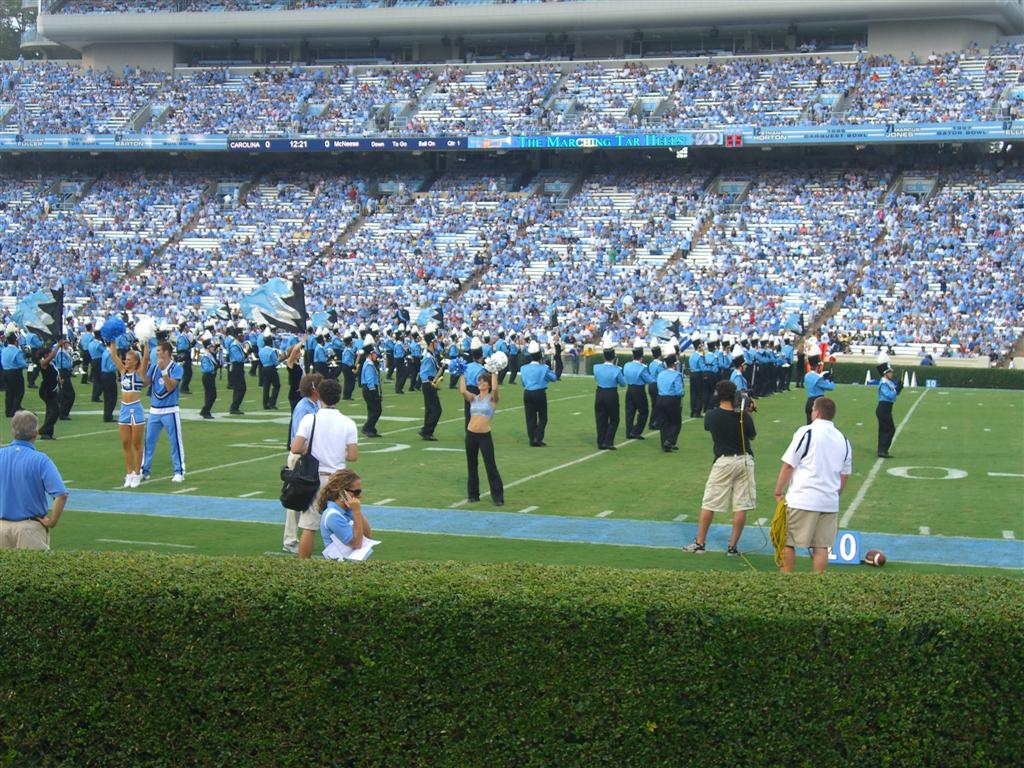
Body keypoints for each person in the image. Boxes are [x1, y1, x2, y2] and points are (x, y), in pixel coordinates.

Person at [773, 397, 852, 574]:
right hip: (829, 501)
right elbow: (845, 475)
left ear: (816, 412)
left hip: (803, 499)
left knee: (787, 542)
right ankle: (817, 586)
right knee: (821, 546)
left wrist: (778, 491)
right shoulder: (843, 439)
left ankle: (786, 582)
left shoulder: (806, 432)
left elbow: (788, 464)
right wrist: (835, 495)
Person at [684, 380, 756, 555]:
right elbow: (751, 434)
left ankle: (700, 543)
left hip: (723, 462)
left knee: (709, 502)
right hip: (745, 460)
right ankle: (732, 547)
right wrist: (747, 412)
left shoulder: (711, 415)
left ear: (718, 395)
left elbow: (710, 425)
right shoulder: (742, 416)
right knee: (741, 505)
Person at [290, 378, 358, 560]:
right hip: (339, 480)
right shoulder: (348, 422)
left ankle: (304, 567)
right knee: (344, 523)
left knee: (308, 527)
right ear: (338, 397)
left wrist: (310, 450)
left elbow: (295, 448)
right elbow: (352, 456)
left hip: (315, 478)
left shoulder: (310, 418)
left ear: (320, 395)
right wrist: (337, 452)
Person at [0, 411, 68, 550]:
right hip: (30, 529)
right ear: (35, 434)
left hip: (2, 526)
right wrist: (52, 522)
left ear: (13, 432)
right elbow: (61, 494)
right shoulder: (40, 460)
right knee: (33, 571)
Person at [282, 372, 323, 554]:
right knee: (296, 499)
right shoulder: (303, 408)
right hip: (301, 458)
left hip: (311, 457)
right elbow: (298, 441)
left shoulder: (317, 404)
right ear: (314, 388)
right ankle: (290, 540)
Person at [141, 341, 185, 483]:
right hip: (154, 410)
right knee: (148, 441)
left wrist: (164, 372)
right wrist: (145, 359)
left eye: (159, 350)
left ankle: (179, 471)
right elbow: (144, 382)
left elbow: (171, 387)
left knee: (175, 442)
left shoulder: (176, 368)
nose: (157, 353)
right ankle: (144, 470)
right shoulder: (154, 367)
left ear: (166, 352)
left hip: (170, 410)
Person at [109, 338, 150, 487]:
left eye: (129, 360)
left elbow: (146, 357)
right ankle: (129, 473)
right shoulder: (122, 371)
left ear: (135, 361)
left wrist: (146, 341)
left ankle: (138, 473)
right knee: (125, 443)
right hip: (124, 409)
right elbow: (114, 356)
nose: (126, 361)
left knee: (136, 443)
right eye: (126, 359)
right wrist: (111, 340)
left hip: (136, 409)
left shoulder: (140, 373)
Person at [460, 370, 504, 505]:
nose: (481, 383)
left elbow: (496, 388)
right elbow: (462, 391)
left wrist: (494, 372)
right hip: (471, 434)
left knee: (490, 466)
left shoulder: (492, 399)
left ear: (488, 384)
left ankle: (497, 497)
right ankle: (473, 495)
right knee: (472, 465)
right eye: (479, 381)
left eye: (484, 381)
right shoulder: (473, 397)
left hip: (484, 436)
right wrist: (462, 374)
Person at [317, 468, 372, 556]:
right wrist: (356, 512)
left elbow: (368, 535)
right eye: (356, 492)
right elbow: (357, 544)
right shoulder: (332, 516)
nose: (360, 495)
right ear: (342, 492)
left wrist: (357, 511)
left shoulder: (348, 509)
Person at [520, 339, 557, 447]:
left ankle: (532, 439)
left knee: (530, 417)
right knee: (543, 417)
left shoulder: (523, 368)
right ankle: (538, 437)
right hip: (539, 393)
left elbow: (523, 382)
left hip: (527, 392)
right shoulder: (544, 368)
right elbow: (553, 378)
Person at [593, 343, 625, 450]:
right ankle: (608, 441)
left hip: (599, 393)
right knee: (614, 419)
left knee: (600, 419)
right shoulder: (617, 369)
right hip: (611, 394)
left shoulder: (596, 367)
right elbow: (623, 383)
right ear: (613, 356)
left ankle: (601, 442)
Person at [655, 344, 683, 452]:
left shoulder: (661, 374)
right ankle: (670, 441)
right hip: (672, 400)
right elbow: (679, 391)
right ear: (674, 364)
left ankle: (664, 444)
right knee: (676, 422)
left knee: (664, 423)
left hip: (660, 399)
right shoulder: (677, 375)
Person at [623, 339, 653, 439]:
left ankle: (629, 431)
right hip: (639, 390)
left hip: (629, 389)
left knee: (630, 412)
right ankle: (636, 431)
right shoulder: (642, 367)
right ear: (641, 356)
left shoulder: (627, 365)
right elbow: (649, 380)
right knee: (644, 411)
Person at [417, 329, 442, 441]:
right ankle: (427, 430)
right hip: (428, 385)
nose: (437, 343)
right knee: (436, 410)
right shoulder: (428, 357)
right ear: (431, 343)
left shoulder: (431, 355)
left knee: (430, 410)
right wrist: (431, 383)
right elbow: (423, 373)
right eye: (435, 341)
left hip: (429, 384)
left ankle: (426, 432)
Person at [34, 344, 61, 440]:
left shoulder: (51, 364)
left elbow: (54, 374)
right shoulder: (43, 363)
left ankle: (48, 434)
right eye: (49, 353)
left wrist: (59, 380)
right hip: (46, 391)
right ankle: (43, 430)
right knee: (55, 412)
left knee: (50, 411)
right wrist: (58, 345)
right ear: (46, 355)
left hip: (52, 389)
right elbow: (53, 356)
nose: (51, 354)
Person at [359, 336, 383, 437]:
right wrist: (375, 394)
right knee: (377, 410)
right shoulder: (369, 365)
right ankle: (367, 427)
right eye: (374, 353)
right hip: (370, 389)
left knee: (372, 410)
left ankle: (371, 429)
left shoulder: (370, 363)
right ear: (370, 354)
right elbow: (370, 381)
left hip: (370, 389)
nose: (375, 355)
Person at [876, 364, 901, 458]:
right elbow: (889, 395)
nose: (892, 374)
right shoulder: (883, 383)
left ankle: (882, 450)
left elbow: (894, 393)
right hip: (883, 408)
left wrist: (899, 387)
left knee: (885, 429)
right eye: (890, 372)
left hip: (887, 408)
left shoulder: (888, 382)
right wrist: (896, 390)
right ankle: (883, 450)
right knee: (890, 429)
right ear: (885, 373)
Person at [802, 352, 835, 425]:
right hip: (818, 402)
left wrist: (823, 377)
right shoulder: (818, 379)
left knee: (809, 426)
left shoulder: (807, 375)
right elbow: (830, 387)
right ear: (817, 365)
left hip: (809, 401)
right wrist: (831, 380)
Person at [2, 332, 27, 417]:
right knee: (19, 392)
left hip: (5, 372)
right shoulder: (17, 351)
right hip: (15, 372)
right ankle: (15, 409)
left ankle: (8, 411)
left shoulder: (4, 350)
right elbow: (22, 364)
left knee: (9, 392)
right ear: (15, 341)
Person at [226, 328, 247, 414]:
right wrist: (246, 353)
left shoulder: (238, 344)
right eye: (242, 335)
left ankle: (234, 407)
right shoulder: (234, 345)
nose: (243, 337)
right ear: (238, 336)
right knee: (241, 388)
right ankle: (234, 407)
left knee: (238, 388)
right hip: (236, 367)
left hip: (238, 367)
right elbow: (239, 358)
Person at [259, 338, 283, 410]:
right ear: (270, 343)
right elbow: (276, 362)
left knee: (266, 387)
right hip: (271, 368)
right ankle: (271, 403)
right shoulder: (271, 351)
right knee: (276, 385)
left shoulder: (261, 351)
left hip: (264, 368)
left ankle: (265, 404)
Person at [198, 334, 218, 420]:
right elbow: (206, 369)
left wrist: (218, 342)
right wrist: (215, 366)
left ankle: (206, 411)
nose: (213, 348)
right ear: (207, 347)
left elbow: (217, 350)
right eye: (211, 346)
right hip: (207, 377)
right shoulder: (206, 356)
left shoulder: (210, 355)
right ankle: (204, 411)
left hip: (210, 377)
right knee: (212, 395)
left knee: (209, 395)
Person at [54, 339, 75, 420]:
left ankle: (61, 411)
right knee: (69, 394)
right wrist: (72, 364)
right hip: (63, 372)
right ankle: (63, 413)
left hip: (64, 372)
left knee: (64, 393)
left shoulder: (62, 352)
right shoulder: (61, 353)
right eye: (66, 343)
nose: (68, 344)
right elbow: (65, 364)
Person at [647, 342, 665, 432]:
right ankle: (655, 422)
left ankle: (653, 422)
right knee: (658, 405)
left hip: (651, 385)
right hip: (657, 385)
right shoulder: (660, 364)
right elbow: (662, 376)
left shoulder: (651, 363)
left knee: (654, 405)